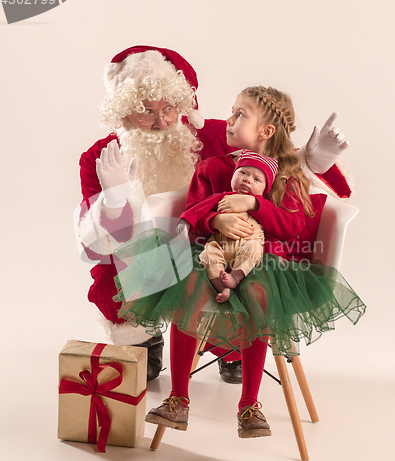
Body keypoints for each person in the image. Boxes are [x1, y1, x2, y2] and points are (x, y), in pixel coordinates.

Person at [77, 44, 355, 383]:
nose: (161, 121)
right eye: (145, 111)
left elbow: (270, 165)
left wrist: (313, 162)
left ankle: (228, 346)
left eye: (170, 108)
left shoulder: (212, 135)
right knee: (113, 275)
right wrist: (115, 202)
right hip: (146, 250)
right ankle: (144, 338)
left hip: (215, 243)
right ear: (123, 111)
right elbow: (98, 244)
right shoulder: (99, 157)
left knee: (228, 272)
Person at [139, 85, 365, 438]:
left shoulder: (287, 177)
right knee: (189, 290)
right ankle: (177, 399)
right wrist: (216, 220)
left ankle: (249, 405)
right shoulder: (213, 169)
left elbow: (291, 227)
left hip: (268, 263)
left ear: (266, 131)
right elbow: (192, 214)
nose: (228, 120)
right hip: (211, 256)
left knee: (260, 295)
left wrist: (256, 205)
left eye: (239, 114)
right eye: (232, 112)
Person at [180, 150, 278, 303]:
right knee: (208, 255)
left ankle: (236, 276)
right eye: (243, 172)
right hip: (220, 243)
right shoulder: (221, 197)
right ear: (233, 175)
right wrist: (184, 223)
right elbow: (197, 210)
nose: (247, 180)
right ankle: (223, 288)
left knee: (254, 249)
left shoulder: (263, 205)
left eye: (257, 179)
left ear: (265, 190)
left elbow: (275, 224)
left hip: (247, 243)